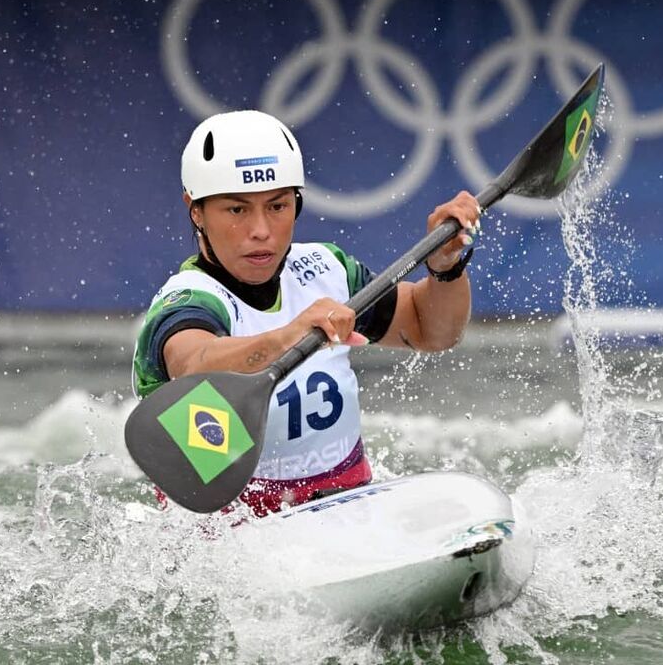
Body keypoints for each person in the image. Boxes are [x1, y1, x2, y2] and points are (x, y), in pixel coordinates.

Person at [132, 110, 479, 517]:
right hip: (232, 539)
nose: (261, 230)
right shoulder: (189, 300)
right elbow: (194, 365)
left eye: (277, 206)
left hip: (346, 507)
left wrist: (444, 266)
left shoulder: (324, 269)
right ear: (196, 210)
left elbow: (429, 331)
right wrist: (289, 334)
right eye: (237, 210)